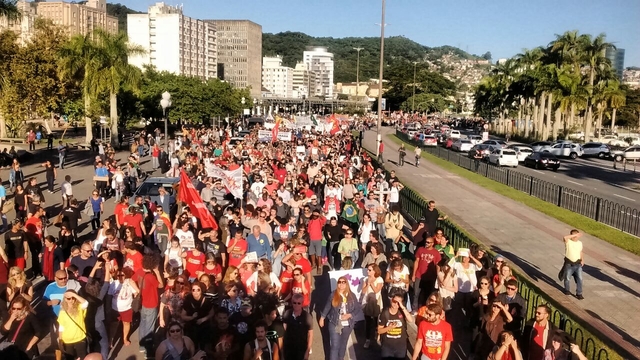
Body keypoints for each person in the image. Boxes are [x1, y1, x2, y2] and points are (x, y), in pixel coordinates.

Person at [319, 276, 364, 360]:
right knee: (335, 345)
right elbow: (327, 307)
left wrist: (350, 315)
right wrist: (322, 317)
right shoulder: (333, 294)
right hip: (334, 322)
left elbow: (357, 308)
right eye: (339, 282)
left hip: (347, 324)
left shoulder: (351, 295)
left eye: (343, 282)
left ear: (346, 284)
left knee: (343, 345)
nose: (341, 284)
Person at [378, 290, 414, 360]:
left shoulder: (402, 312)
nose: (396, 304)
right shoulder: (385, 313)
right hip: (387, 347)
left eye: (399, 303)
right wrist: (389, 327)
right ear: (391, 300)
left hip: (400, 347)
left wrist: (403, 307)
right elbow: (379, 331)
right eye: (394, 301)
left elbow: (410, 320)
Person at [57, 290, 89, 360]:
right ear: (65, 299)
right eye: (68, 298)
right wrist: (60, 340)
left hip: (80, 338)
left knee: (83, 358)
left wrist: (73, 294)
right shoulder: (62, 312)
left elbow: (86, 303)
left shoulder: (79, 307)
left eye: (73, 298)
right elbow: (61, 327)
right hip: (67, 340)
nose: (71, 300)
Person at [282, 293, 313, 360]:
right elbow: (284, 330)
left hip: (301, 349)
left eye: (299, 303)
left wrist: (307, 350)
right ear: (291, 303)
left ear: (302, 304)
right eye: (294, 303)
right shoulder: (287, 314)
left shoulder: (307, 317)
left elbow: (310, 334)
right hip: (289, 348)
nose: (296, 305)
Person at [361, 263, 384, 349]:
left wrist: (371, 283)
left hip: (376, 302)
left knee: (376, 321)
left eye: (370, 270)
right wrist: (367, 284)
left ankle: (377, 336)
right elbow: (363, 291)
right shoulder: (365, 279)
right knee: (367, 322)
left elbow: (376, 291)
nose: (368, 271)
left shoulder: (379, 279)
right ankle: (367, 339)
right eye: (367, 270)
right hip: (368, 302)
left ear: (375, 271)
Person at [561, 229, 584, 300]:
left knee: (580, 279)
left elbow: (580, 251)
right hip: (569, 263)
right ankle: (567, 290)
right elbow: (565, 237)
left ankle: (579, 293)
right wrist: (574, 235)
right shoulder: (568, 242)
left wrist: (582, 259)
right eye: (573, 235)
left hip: (577, 263)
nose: (575, 237)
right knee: (567, 278)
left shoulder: (580, 243)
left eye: (576, 236)